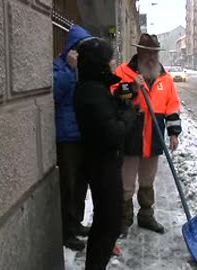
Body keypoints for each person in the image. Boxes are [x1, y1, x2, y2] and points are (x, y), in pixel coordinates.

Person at [74, 37, 137, 269]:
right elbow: (113, 132)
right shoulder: (91, 92)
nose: (112, 64)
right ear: (98, 63)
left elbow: (111, 99)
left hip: (105, 163)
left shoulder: (95, 86)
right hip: (102, 166)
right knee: (108, 224)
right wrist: (130, 114)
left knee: (108, 222)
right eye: (109, 60)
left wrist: (131, 90)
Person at [113, 33, 182, 237]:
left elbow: (172, 107)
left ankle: (146, 216)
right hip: (130, 137)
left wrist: (174, 133)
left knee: (147, 181)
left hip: (154, 138)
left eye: (155, 53)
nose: (151, 57)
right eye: (147, 52)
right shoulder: (123, 71)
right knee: (126, 183)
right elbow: (114, 95)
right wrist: (132, 88)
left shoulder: (165, 78)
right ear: (139, 51)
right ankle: (124, 219)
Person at [53, 24, 93, 251]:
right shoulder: (59, 68)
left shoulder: (82, 69)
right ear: (72, 49)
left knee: (80, 184)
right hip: (66, 138)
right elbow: (55, 94)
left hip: (81, 135)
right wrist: (70, 69)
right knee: (67, 186)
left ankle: (76, 222)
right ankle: (66, 232)